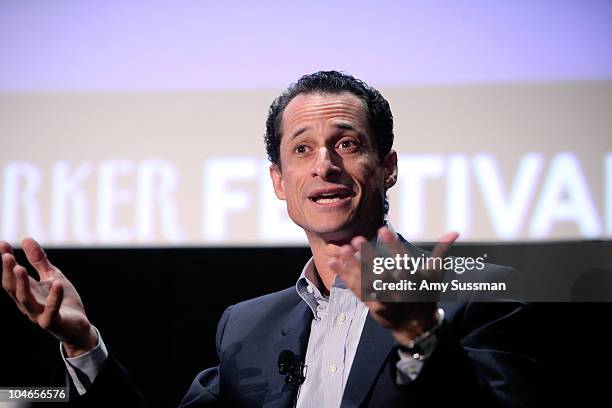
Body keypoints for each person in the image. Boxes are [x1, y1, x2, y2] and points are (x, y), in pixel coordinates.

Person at [1, 71, 537, 407]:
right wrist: (83, 346)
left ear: (388, 167)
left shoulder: (477, 292)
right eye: (302, 149)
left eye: (347, 143)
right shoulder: (247, 328)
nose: (325, 164)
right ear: (279, 181)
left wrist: (422, 336)